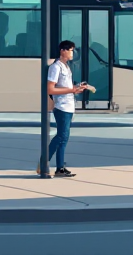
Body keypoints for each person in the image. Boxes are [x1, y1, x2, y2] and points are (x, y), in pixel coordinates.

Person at [37, 40, 89, 177]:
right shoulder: (56, 67)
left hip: (69, 106)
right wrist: (72, 89)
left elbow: (66, 86)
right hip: (61, 107)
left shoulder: (66, 67)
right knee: (61, 136)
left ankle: (60, 168)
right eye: (70, 50)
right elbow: (51, 89)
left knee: (64, 138)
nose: (72, 53)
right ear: (63, 51)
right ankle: (44, 162)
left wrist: (77, 88)